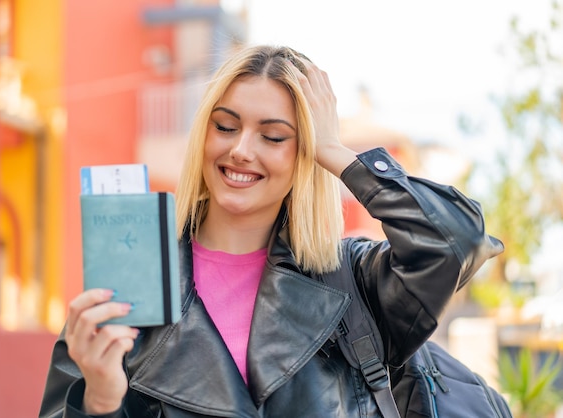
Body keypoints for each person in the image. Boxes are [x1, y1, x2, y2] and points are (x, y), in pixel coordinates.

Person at [38, 45, 503, 418]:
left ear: (304, 155)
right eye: (225, 126)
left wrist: (337, 152)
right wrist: (99, 401)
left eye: (273, 136)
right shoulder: (132, 288)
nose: (241, 149)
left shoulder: (354, 283)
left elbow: (454, 241)